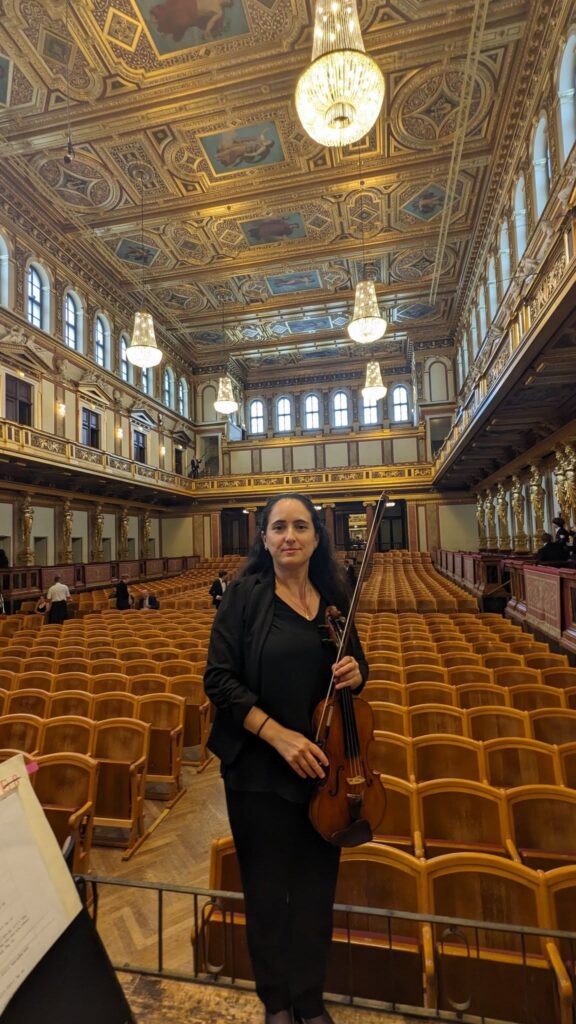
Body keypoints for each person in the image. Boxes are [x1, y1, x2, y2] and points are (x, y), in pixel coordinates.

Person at [204, 493, 368, 1024]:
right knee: (269, 893)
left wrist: (357, 673)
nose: (289, 536)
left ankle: (310, 1000)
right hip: (259, 772)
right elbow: (219, 682)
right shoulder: (245, 597)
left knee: (317, 893)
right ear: (265, 538)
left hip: (327, 776)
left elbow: (357, 662)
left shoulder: (334, 596)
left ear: (317, 537)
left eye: (300, 526)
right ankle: (276, 1002)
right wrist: (278, 736)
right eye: (279, 527)